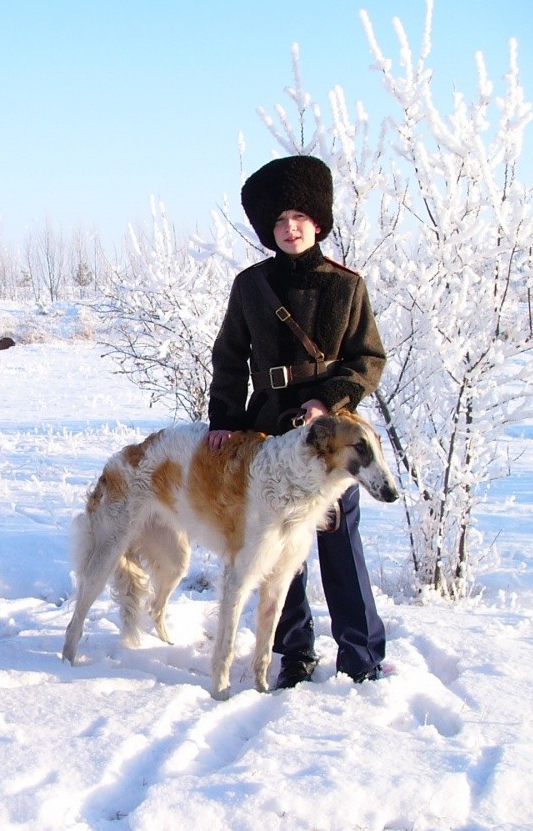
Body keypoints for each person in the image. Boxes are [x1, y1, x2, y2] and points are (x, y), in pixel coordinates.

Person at [207, 155, 387, 687]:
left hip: (332, 439)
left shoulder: (346, 286)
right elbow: (229, 357)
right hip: (267, 432)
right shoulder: (251, 285)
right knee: (275, 546)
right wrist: (225, 421)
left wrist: (328, 401)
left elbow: (367, 359)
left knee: (339, 543)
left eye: (299, 218)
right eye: (280, 221)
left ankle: (361, 656)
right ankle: (293, 653)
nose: (290, 229)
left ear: (318, 222)